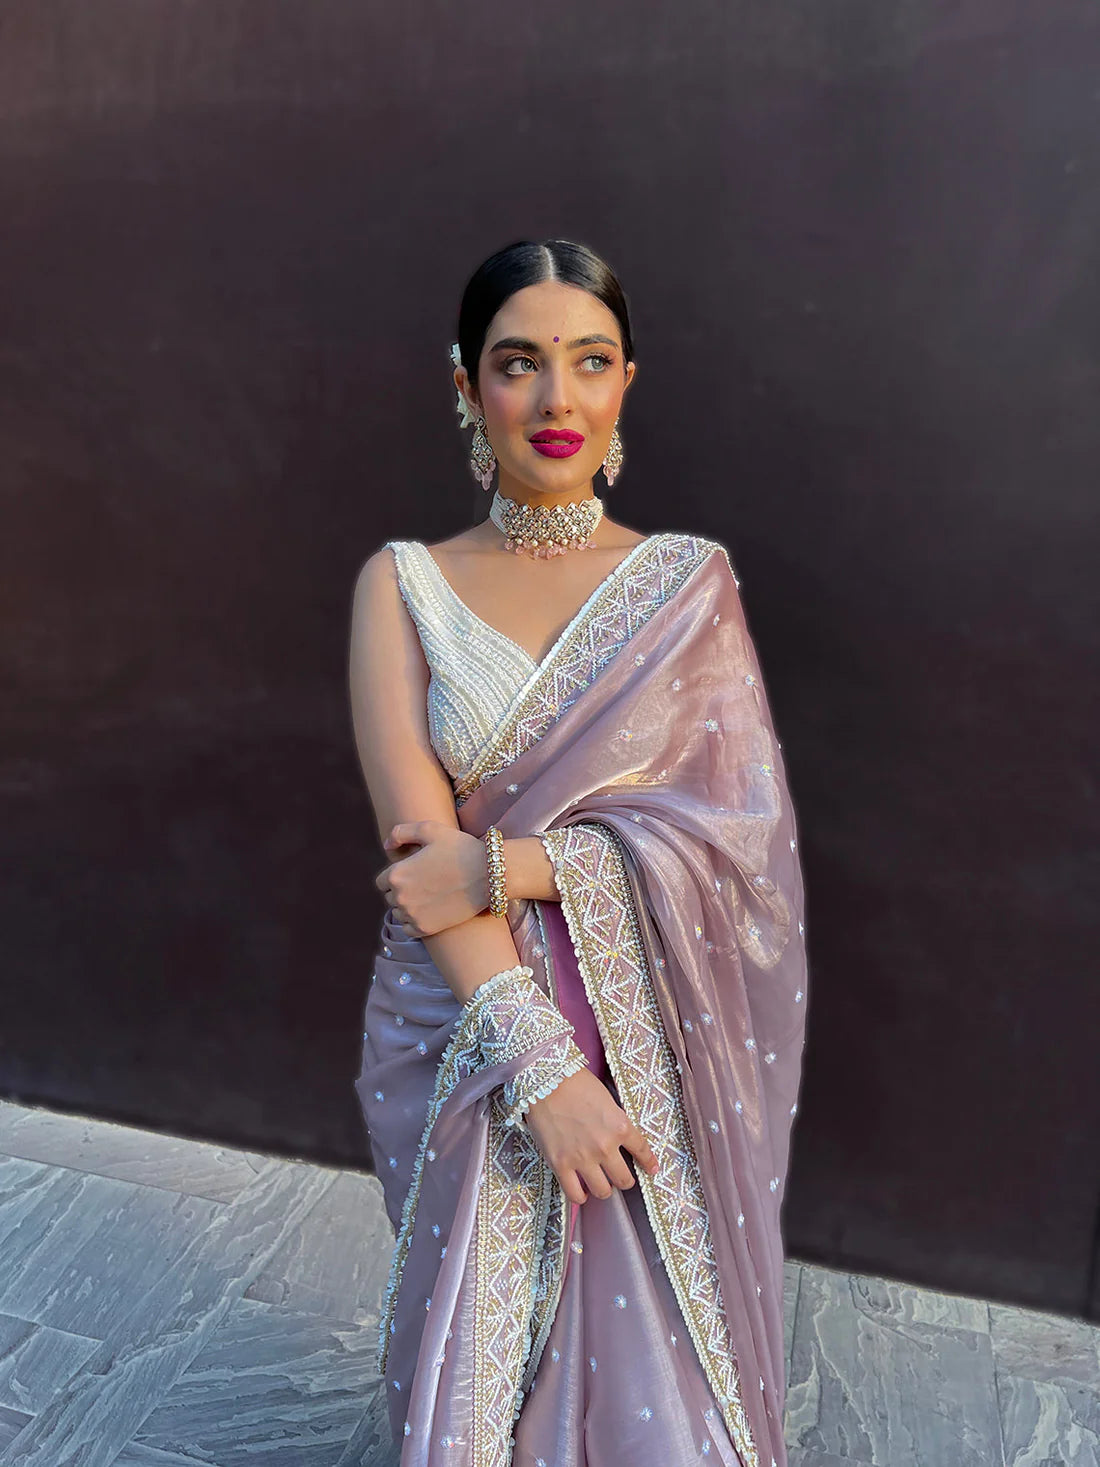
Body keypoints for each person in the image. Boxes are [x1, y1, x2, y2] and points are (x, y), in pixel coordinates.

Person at [348, 238, 808, 1467]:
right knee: (477, 1369)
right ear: (466, 386)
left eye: (589, 361)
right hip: (466, 1018)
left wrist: (507, 868)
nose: (557, 398)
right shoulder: (404, 586)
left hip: (648, 1020)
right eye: (518, 364)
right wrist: (541, 1069)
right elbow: (419, 853)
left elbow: (734, 847)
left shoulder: (684, 587)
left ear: (625, 382)